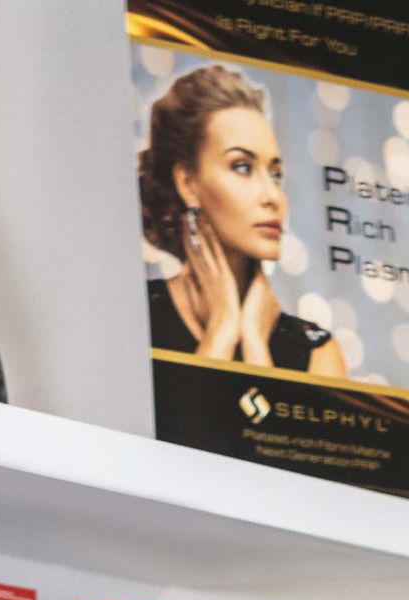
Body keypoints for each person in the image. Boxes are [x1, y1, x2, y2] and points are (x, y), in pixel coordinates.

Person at [138, 61, 349, 377]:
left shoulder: (317, 353)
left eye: (276, 174)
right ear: (188, 184)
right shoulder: (135, 317)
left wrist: (255, 347)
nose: (272, 196)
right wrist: (221, 332)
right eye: (242, 167)